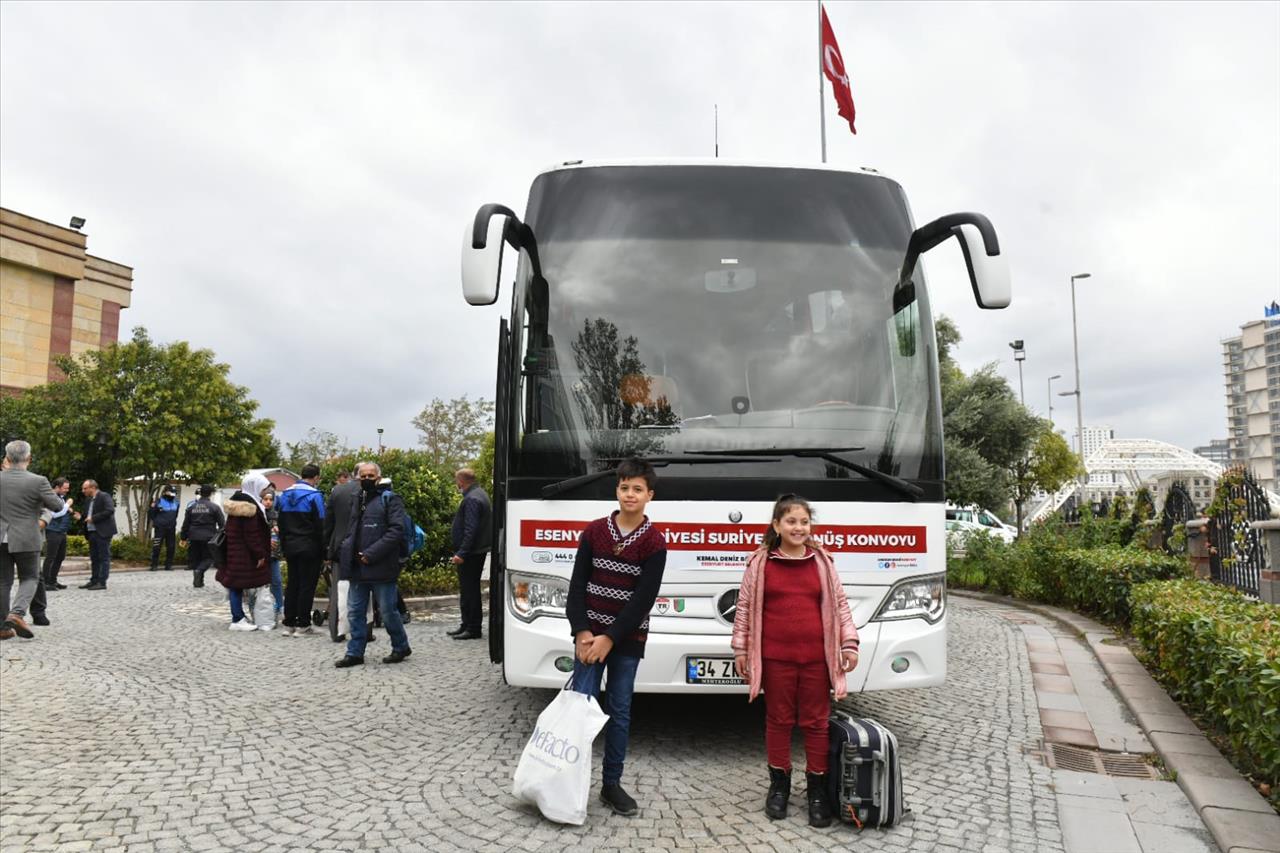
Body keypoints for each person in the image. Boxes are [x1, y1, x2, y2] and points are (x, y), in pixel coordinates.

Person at [730, 494, 859, 828]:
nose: (798, 527)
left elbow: (841, 605)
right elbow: (743, 609)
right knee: (779, 720)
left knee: (816, 723)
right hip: (775, 659)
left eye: (804, 521)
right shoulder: (759, 564)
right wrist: (741, 650)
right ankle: (779, 787)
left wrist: (849, 644)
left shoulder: (823, 563)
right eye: (791, 521)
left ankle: (817, 792)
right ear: (776, 525)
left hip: (817, 659)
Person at [564, 458, 667, 817]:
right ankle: (569, 780)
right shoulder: (593, 532)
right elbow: (576, 587)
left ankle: (611, 784)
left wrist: (610, 637)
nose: (630, 494)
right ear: (617, 490)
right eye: (625, 487)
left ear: (649, 495)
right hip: (588, 641)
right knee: (580, 710)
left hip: (625, 640)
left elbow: (643, 600)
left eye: (637, 489)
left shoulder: (654, 543)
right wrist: (582, 631)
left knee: (618, 713)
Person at [334, 462, 411, 667]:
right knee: (355, 611)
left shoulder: (391, 499)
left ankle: (400, 646)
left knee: (388, 611)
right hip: (357, 567)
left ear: (378, 477)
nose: (367, 478)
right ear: (357, 478)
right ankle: (355, 652)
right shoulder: (356, 499)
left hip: (382, 566)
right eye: (363, 475)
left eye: (371, 475)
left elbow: (396, 531)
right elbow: (351, 530)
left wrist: (371, 553)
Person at [0, 440, 66, 640]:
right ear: (28, 458)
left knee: (3, 582)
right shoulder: (38, 481)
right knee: (29, 577)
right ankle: (17, 613)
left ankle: (3, 627)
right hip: (27, 538)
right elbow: (56, 506)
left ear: (8, 458)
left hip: (1, 537)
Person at [216, 473, 273, 631]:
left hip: (235, 551)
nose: (265, 491)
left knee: (236, 584)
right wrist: (260, 554)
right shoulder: (248, 506)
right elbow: (251, 534)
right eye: (263, 488)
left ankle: (238, 616)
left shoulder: (238, 501)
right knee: (237, 585)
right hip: (244, 553)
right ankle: (237, 619)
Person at [277, 464, 326, 637]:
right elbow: (321, 525)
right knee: (307, 585)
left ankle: (288, 623)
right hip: (309, 546)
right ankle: (303, 624)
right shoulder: (315, 496)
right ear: (316, 477)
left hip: (290, 545)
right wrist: (324, 550)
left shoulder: (285, 494)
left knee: (292, 584)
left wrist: (284, 545)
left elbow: (280, 524)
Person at [448, 467, 491, 640]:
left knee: (470, 590)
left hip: (471, 553)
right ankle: (466, 624)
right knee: (468, 590)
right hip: (474, 551)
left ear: (461, 481)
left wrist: (462, 553)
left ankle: (473, 627)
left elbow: (470, 529)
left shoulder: (472, 498)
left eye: (456, 481)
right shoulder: (479, 493)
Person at [180, 484, 225, 588]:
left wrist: (183, 537)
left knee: (197, 558)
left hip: (193, 536)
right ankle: (199, 571)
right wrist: (220, 536)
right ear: (210, 494)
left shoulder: (192, 507)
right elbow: (222, 524)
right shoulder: (214, 507)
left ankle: (199, 581)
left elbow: (186, 524)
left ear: (200, 493)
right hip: (208, 536)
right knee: (209, 558)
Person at [80, 479, 117, 590]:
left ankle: (102, 582)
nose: (83, 491)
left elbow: (110, 510)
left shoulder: (104, 496)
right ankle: (94, 580)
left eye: (85, 488)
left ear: (93, 487)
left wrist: (93, 518)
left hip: (103, 531)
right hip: (91, 532)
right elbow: (87, 516)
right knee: (94, 557)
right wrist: (81, 517)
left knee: (104, 557)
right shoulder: (88, 500)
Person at [41, 477, 74, 590]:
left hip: (62, 531)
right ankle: (45, 583)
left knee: (60, 557)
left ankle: (52, 580)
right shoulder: (49, 498)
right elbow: (53, 514)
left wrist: (68, 509)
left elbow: (62, 511)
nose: (67, 490)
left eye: (67, 488)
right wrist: (67, 505)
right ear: (57, 487)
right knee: (50, 557)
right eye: (65, 488)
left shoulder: (61, 498)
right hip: (53, 531)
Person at [262, 489, 283, 623]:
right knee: (260, 583)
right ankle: (260, 609)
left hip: (274, 555)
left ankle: (279, 607)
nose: (268, 502)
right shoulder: (258, 514)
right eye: (266, 499)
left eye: (271, 499)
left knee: (277, 581)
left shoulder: (277, 515)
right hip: (260, 554)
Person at [148, 487, 180, 571]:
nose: (172, 495)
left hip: (171, 528)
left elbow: (176, 515)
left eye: (173, 493)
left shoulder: (176, 503)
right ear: (165, 492)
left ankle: (168, 565)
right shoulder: (158, 502)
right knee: (157, 546)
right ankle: (154, 565)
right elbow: (151, 513)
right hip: (160, 528)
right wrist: (158, 522)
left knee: (171, 547)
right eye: (170, 493)